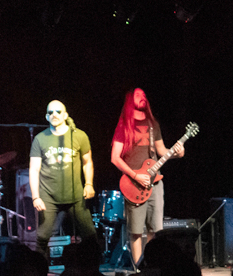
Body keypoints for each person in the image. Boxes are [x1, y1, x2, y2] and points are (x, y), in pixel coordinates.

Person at [111, 89, 186, 266]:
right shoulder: (124, 126)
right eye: (138, 95)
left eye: (144, 95)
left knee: (155, 229)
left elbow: (161, 151)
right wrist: (135, 175)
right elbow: (115, 158)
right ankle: (138, 268)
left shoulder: (153, 124)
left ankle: (153, 265)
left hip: (155, 182)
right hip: (133, 183)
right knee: (136, 231)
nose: (142, 97)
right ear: (130, 100)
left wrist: (177, 153)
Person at [29, 100, 97, 256]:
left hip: (75, 195)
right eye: (51, 112)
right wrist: (35, 197)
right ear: (46, 117)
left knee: (90, 234)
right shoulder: (40, 139)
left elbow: (87, 162)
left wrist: (89, 184)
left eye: (58, 111)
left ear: (65, 115)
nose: (54, 115)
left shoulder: (79, 136)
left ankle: (92, 267)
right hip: (48, 196)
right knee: (42, 236)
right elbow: (34, 169)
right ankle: (39, 268)